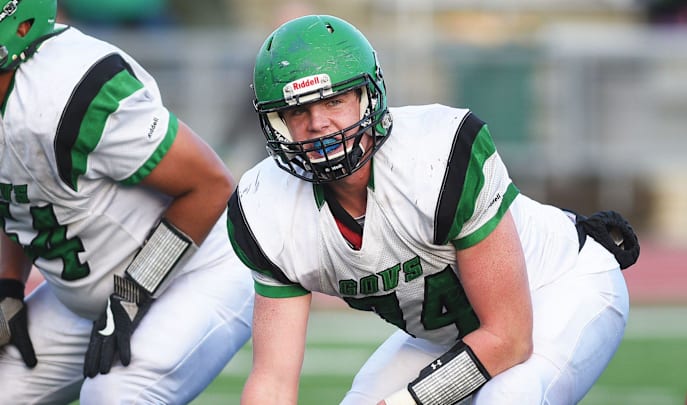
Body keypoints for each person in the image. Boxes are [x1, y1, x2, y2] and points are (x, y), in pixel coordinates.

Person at [231, 14, 640, 405]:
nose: (318, 123)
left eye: (334, 100)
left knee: (508, 398)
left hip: (556, 291)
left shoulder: (435, 159)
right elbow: (272, 381)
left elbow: (510, 338)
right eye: (298, 110)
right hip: (451, 333)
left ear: (366, 97)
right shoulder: (266, 209)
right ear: (277, 122)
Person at [0, 0, 254, 403]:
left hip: (195, 271)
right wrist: (8, 286)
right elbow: (17, 193)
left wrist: (131, 293)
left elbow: (210, 184)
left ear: (19, 24)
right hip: (87, 296)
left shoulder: (65, 93)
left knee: (112, 395)